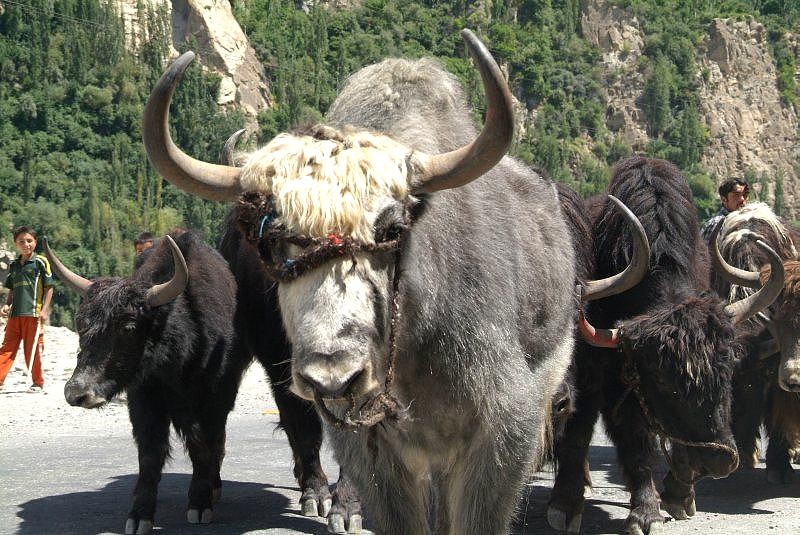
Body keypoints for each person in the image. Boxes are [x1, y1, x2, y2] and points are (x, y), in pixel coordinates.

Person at [0, 226, 54, 391]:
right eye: (21, 241)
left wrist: (45, 310)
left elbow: (49, 288)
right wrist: (7, 305)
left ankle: (38, 382)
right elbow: (11, 289)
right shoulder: (15, 265)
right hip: (15, 315)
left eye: (29, 241)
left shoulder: (40, 262)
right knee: (7, 348)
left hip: (33, 314)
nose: (26, 244)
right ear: (15, 244)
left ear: (35, 242)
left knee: (33, 350)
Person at [701, 178, 750, 245]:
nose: (742, 199)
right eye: (736, 195)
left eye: (745, 195)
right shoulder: (716, 224)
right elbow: (706, 253)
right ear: (724, 199)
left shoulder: (749, 222)